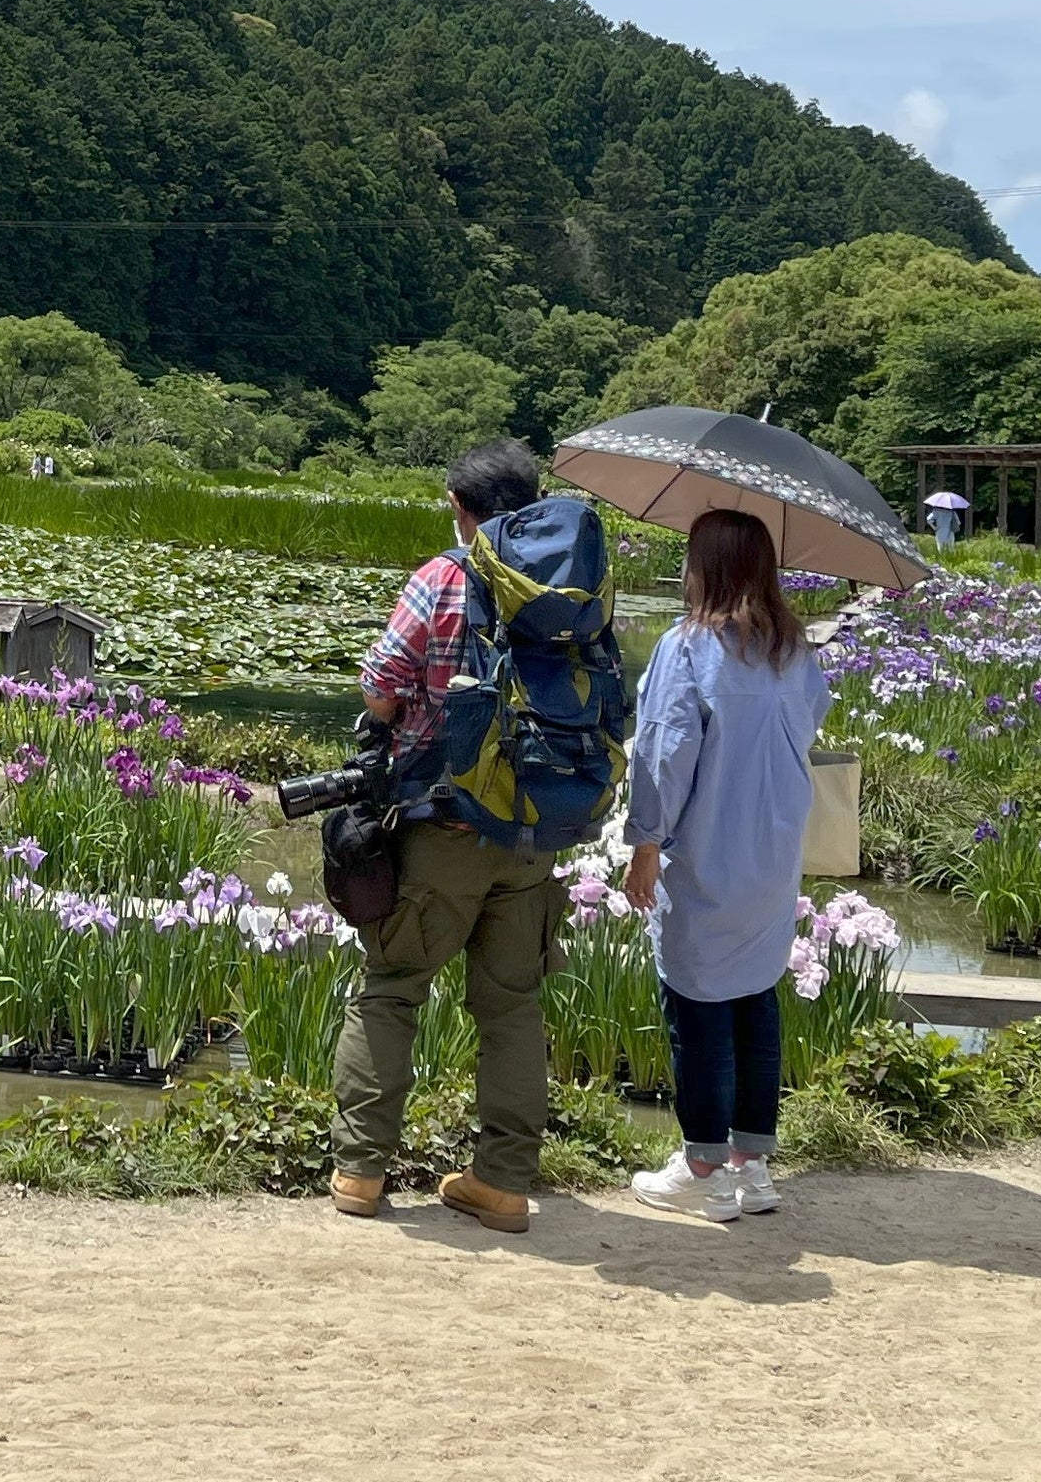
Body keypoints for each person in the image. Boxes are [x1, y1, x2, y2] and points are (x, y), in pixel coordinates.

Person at [329, 439, 626, 1237]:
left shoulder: (443, 577)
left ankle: (361, 1170)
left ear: (458, 506)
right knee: (512, 1006)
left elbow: (381, 689)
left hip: (443, 827)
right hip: (536, 828)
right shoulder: (579, 590)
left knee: (392, 989)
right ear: (530, 501)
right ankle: (502, 1182)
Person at [622, 507, 832, 1223]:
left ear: (704, 565)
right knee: (754, 995)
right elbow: (810, 721)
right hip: (775, 849)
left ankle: (703, 1167)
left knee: (698, 999)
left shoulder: (687, 648)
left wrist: (645, 841)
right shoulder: (793, 650)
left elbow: (663, 751)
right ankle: (754, 1164)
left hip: (710, 842)